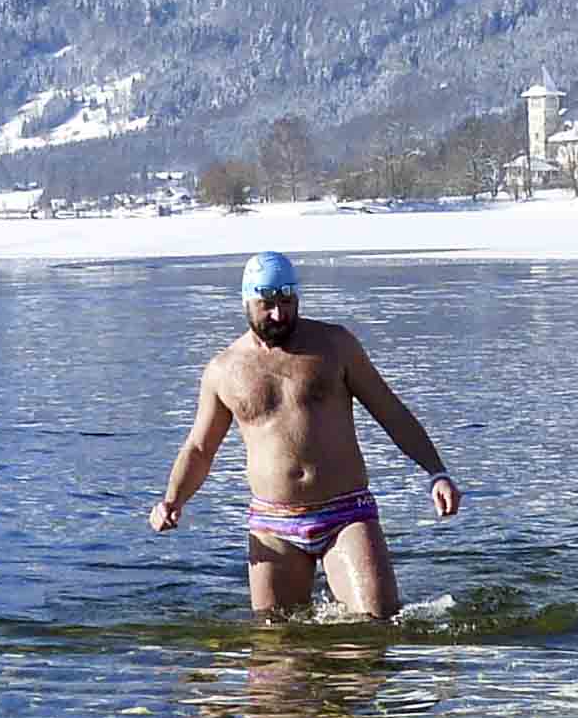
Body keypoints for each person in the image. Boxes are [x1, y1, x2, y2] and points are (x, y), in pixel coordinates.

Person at [150, 251, 461, 618]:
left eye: (287, 302)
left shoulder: (334, 345)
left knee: (374, 631)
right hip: (272, 525)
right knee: (276, 650)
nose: (279, 315)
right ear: (247, 301)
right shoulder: (223, 370)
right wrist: (173, 500)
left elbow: (390, 411)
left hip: (347, 514)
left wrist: (436, 472)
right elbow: (200, 448)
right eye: (268, 304)